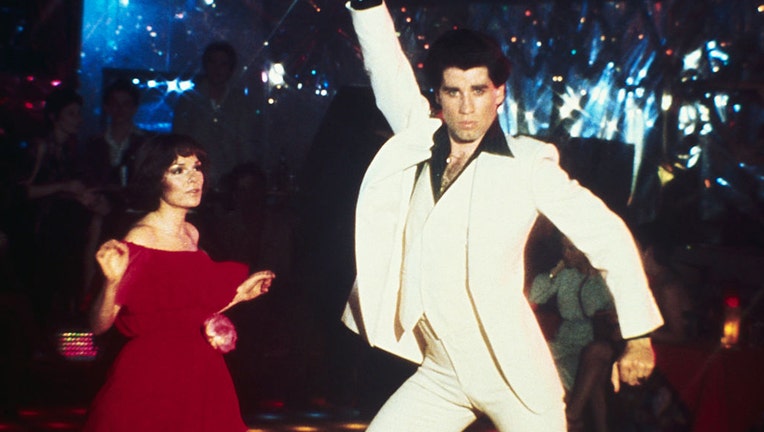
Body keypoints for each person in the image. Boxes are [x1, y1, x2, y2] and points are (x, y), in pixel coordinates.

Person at [340, 1, 664, 431]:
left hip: (515, 377)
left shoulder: (527, 163)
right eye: (453, 92)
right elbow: (386, 69)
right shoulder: (419, 140)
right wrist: (366, 6)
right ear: (438, 96)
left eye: (478, 90)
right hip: (442, 372)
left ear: (500, 93)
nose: (466, 107)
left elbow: (606, 234)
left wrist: (638, 337)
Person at [83, 134, 275, 432]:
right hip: (152, 375)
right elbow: (99, 325)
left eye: (196, 167)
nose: (193, 178)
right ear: (155, 178)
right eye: (178, 170)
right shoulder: (139, 238)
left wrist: (240, 296)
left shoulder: (192, 234)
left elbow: (184, 310)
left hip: (202, 371)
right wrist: (110, 283)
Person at [528, 235, 621, 432]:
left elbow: (618, 314)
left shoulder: (605, 278)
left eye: (571, 249)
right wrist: (554, 272)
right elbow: (535, 295)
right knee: (541, 367)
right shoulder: (566, 275)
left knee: (595, 357)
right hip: (564, 341)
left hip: (598, 340)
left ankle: (573, 417)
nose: (565, 253)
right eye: (564, 248)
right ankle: (572, 421)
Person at [173, 41, 259, 188]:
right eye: (213, 62)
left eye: (223, 64)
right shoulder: (189, 100)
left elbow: (246, 143)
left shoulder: (240, 102)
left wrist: (247, 175)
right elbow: (178, 140)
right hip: (194, 178)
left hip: (231, 180)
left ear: (231, 69)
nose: (217, 69)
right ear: (205, 65)